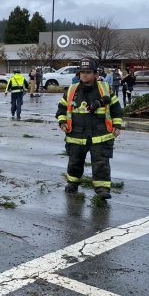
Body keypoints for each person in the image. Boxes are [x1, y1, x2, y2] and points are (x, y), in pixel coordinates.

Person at [56, 58, 123, 201]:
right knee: (75, 162)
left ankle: (102, 189)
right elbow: (61, 109)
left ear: (95, 74)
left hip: (101, 134)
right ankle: (72, 184)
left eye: (88, 72)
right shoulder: (71, 90)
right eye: (82, 72)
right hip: (76, 134)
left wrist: (117, 126)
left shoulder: (105, 90)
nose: (84, 75)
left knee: (101, 163)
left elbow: (116, 108)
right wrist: (62, 122)